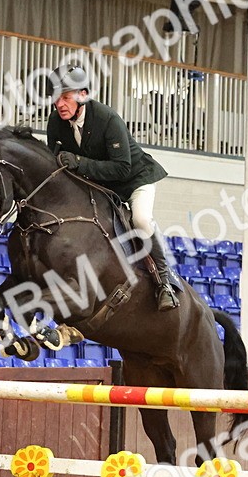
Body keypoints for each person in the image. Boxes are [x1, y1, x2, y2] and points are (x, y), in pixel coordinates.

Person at [45, 64, 183, 311]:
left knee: (140, 219)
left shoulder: (107, 118)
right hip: (102, 188)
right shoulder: (56, 122)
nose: (60, 105)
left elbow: (122, 168)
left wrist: (79, 162)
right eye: (56, 99)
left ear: (83, 96)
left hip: (134, 181)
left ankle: (164, 282)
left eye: (65, 98)